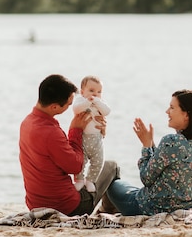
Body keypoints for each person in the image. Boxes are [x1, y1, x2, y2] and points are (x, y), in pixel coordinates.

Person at [19, 74, 119, 216]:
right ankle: (108, 210)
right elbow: (75, 167)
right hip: (68, 207)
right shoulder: (51, 132)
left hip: (35, 204)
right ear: (54, 106)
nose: (70, 108)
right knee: (112, 166)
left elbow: (55, 151)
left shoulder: (27, 123)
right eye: (68, 105)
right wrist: (75, 131)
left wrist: (94, 131)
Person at [105, 90, 192, 218]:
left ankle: (103, 210)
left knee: (111, 182)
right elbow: (166, 165)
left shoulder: (171, 141)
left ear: (186, 115)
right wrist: (151, 145)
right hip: (190, 210)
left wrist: (146, 146)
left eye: (172, 107)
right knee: (130, 187)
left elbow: (146, 178)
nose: (167, 111)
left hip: (150, 208)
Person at [72, 76, 111, 193]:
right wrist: (87, 101)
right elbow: (76, 109)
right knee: (81, 162)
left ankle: (90, 180)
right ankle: (79, 180)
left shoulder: (100, 102)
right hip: (83, 138)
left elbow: (107, 111)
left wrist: (97, 102)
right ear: (82, 92)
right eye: (91, 90)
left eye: (99, 92)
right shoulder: (80, 101)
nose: (95, 94)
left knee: (98, 161)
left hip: (97, 139)